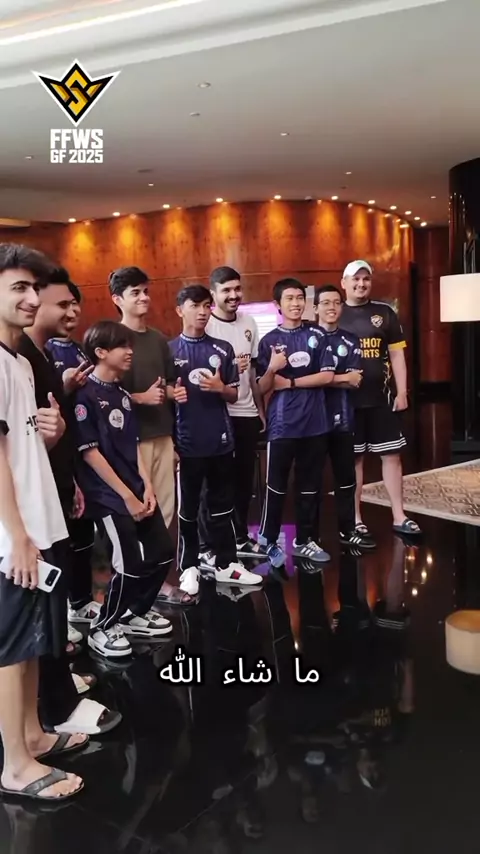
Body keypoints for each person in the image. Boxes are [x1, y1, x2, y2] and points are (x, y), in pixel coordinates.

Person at [18, 267, 120, 732]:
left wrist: (70, 480)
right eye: (62, 303)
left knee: (52, 603)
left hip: (54, 489)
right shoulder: (18, 357)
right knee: (38, 607)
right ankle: (55, 706)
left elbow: (52, 433)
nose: (71, 311)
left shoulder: (36, 357)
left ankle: (54, 686)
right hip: (27, 509)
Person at [0, 242, 84, 801]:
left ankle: (32, 733)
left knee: (32, 641)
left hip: (38, 520)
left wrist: (49, 435)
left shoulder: (19, 361)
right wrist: (17, 536)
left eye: (35, 288)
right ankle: (14, 765)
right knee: (11, 648)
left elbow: (20, 444)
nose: (32, 298)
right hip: (16, 532)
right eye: (19, 288)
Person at [73, 320, 174, 658]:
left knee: (163, 552)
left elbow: (134, 446)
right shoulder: (84, 395)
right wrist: (127, 496)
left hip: (135, 490)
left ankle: (134, 613)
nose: (130, 351)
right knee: (128, 563)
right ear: (101, 352)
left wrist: (147, 487)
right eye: (122, 346)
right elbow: (90, 454)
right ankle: (103, 626)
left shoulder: (122, 395)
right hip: (108, 496)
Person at [169, 285, 263, 596]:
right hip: (187, 443)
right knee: (189, 510)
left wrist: (221, 388)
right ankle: (189, 567)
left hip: (221, 440)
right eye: (194, 305)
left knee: (223, 506)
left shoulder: (222, 348)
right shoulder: (170, 351)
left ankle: (227, 564)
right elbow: (163, 398)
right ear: (180, 310)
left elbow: (235, 394)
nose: (201, 312)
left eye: (206, 306)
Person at [257, 278, 336, 567]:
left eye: (300, 297)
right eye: (289, 298)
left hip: (316, 423)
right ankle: (267, 540)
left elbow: (327, 376)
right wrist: (272, 369)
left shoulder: (317, 334)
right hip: (282, 425)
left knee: (310, 485)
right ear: (277, 305)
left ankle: (304, 540)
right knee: (276, 486)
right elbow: (262, 387)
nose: (296, 303)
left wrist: (289, 382)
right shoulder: (268, 342)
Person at [340, 261, 421, 539]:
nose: (361, 284)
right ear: (344, 283)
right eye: (355, 279)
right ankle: (355, 519)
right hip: (348, 403)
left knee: (392, 456)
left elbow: (397, 355)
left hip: (382, 400)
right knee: (354, 461)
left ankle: (399, 516)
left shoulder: (385, 313)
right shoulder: (335, 312)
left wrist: (402, 392)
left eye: (366, 279)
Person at [44, 269, 98, 626]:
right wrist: (65, 386)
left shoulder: (80, 348)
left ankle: (81, 600)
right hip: (55, 456)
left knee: (83, 532)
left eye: (75, 304)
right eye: (64, 304)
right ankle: (60, 610)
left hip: (81, 450)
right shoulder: (43, 350)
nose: (72, 311)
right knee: (61, 535)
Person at [202, 265, 266, 560]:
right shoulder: (206, 325)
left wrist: (260, 409)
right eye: (226, 290)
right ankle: (209, 546)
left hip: (247, 414)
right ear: (213, 293)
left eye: (237, 289)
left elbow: (252, 372)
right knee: (216, 484)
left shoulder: (249, 322)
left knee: (243, 482)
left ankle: (240, 537)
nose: (233, 295)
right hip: (218, 417)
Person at [109, 267, 176, 530]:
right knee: (138, 508)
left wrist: (174, 393)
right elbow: (102, 394)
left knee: (166, 507)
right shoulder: (110, 339)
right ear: (117, 299)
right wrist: (139, 398)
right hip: (130, 439)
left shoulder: (159, 340)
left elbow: (168, 385)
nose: (144, 297)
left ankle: (161, 554)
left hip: (163, 434)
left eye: (146, 291)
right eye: (135, 293)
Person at [313, 285, 375, 550]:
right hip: (311, 421)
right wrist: (338, 377)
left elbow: (355, 380)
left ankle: (348, 530)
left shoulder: (350, 340)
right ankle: (310, 537)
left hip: (343, 419)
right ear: (315, 308)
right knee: (311, 482)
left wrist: (323, 379)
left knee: (346, 479)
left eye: (336, 302)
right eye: (326, 303)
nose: (332, 307)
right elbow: (305, 379)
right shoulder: (307, 338)